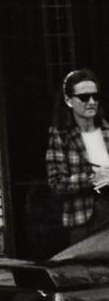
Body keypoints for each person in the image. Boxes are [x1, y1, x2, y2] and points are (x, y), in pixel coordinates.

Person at [45, 68, 109, 242]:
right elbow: (56, 183)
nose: (91, 102)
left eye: (95, 96)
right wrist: (92, 178)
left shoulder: (106, 130)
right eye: (84, 97)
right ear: (68, 100)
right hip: (84, 220)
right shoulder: (61, 135)